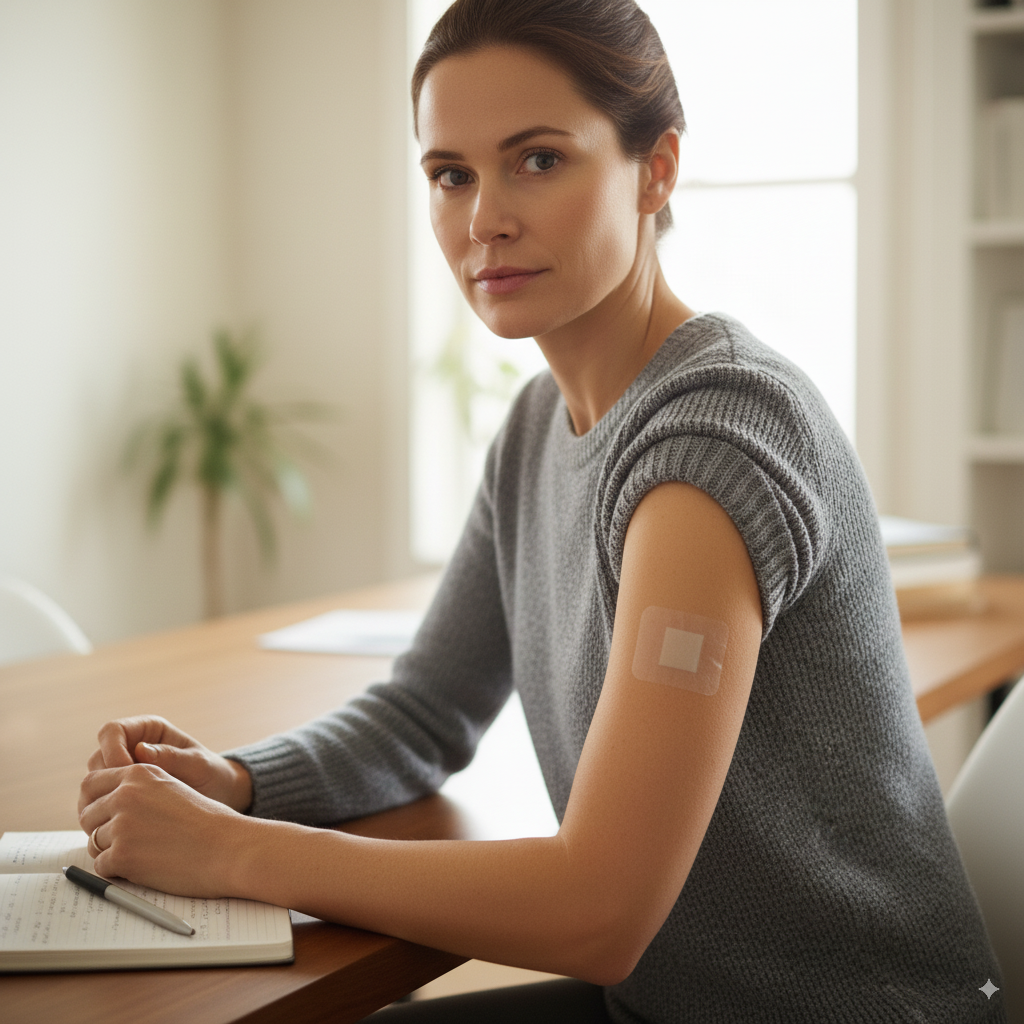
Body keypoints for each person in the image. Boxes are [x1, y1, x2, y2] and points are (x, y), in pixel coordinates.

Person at [77, 1, 1005, 1021]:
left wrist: (234, 852)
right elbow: (427, 709)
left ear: (654, 170)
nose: (485, 220)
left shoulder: (714, 439)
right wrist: (234, 781)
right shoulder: (536, 427)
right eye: (451, 174)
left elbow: (598, 909)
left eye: (538, 160)